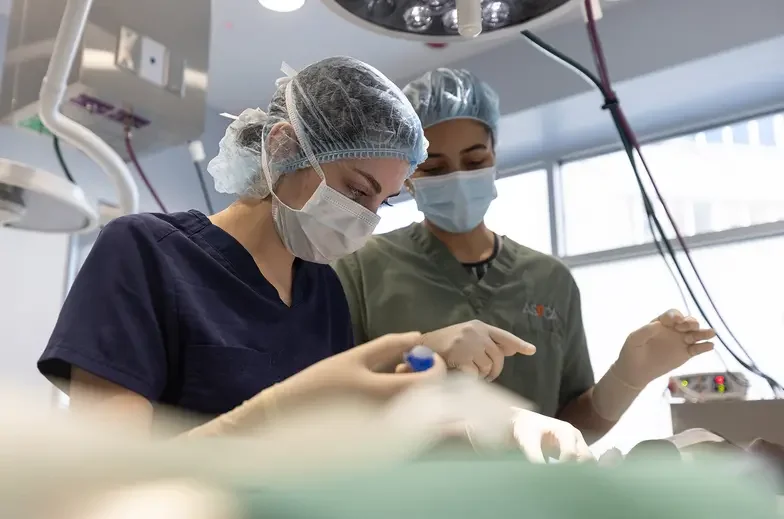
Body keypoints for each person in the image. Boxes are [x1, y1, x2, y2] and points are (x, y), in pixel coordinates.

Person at [36, 56, 449, 436]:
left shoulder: (322, 292)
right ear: (283, 145)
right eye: (358, 191)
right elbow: (108, 472)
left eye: (384, 201)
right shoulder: (145, 253)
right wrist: (269, 413)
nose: (367, 219)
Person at [332, 68, 717, 444]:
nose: (459, 178)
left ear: (495, 156)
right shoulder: (361, 268)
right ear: (409, 175)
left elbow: (571, 432)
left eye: (475, 161)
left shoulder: (550, 279)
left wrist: (628, 378)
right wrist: (420, 353)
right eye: (435, 167)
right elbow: (328, 406)